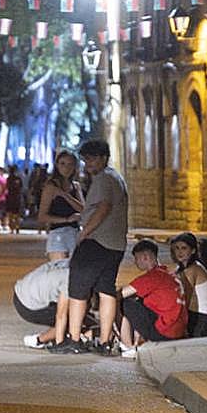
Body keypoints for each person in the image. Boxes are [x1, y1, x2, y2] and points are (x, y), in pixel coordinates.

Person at [49, 139, 129, 355]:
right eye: (86, 160)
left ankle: (74, 339)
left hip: (96, 242)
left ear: (104, 158)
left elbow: (103, 208)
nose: (88, 164)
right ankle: (105, 341)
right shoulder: (116, 177)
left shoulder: (103, 179)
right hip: (115, 244)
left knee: (77, 289)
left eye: (92, 159)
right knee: (106, 290)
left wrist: (84, 233)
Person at [117, 240, 188, 354]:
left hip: (164, 332)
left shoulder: (152, 277)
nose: (135, 262)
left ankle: (127, 346)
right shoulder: (166, 273)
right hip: (178, 331)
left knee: (124, 304)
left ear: (145, 257)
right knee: (138, 302)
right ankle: (137, 341)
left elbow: (119, 295)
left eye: (136, 258)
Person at [36, 149, 85, 260]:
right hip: (58, 234)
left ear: (75, 167)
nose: (66, 168)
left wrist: (64, 195)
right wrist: (66, 219)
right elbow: (42, 216)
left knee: (75, 269)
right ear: (57, 165)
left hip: (75, 233)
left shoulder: (76, 186)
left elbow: (83, 209)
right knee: (59, 269)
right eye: (62, 164)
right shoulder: (51, 186)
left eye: (70, 164)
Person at [14, 258, 71, 348]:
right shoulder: (69, 278)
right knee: (76, 319)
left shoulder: (68, 263)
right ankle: (38, 340)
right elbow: (61, 315)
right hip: (28, 306)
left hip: (20, 291)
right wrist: (60, 344)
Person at [170, 232, 207, 338]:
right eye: (177, 248)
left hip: (201, 320)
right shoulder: (183, 268)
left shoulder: (193, 269)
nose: (179, 252)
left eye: (184, 248)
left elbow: (186, 297)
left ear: (193, 250)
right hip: (197, 316)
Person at [4, 165, 25, 233]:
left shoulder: (9, 179)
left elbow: (7, 187)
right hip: (17, 197)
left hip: (10, 197)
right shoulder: (19, 179)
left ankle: (12, 228)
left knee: (10, 213)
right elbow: (21, 187)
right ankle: (17, 226)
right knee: (17, 213)